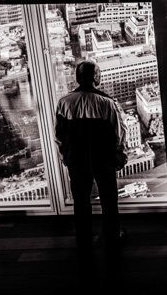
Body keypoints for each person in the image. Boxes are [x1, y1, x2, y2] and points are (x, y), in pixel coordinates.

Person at [55, 60, 128, 250]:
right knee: (109, 198)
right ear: (96, 78)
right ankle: (112, 234)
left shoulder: (64, 102)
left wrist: (66, 156)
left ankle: (83, 237)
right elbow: (119, 132)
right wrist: (120, 154)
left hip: (76, 160)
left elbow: (59, 135)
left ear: (77, 78)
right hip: (103, 158)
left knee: (80, 199)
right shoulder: (107, 103)